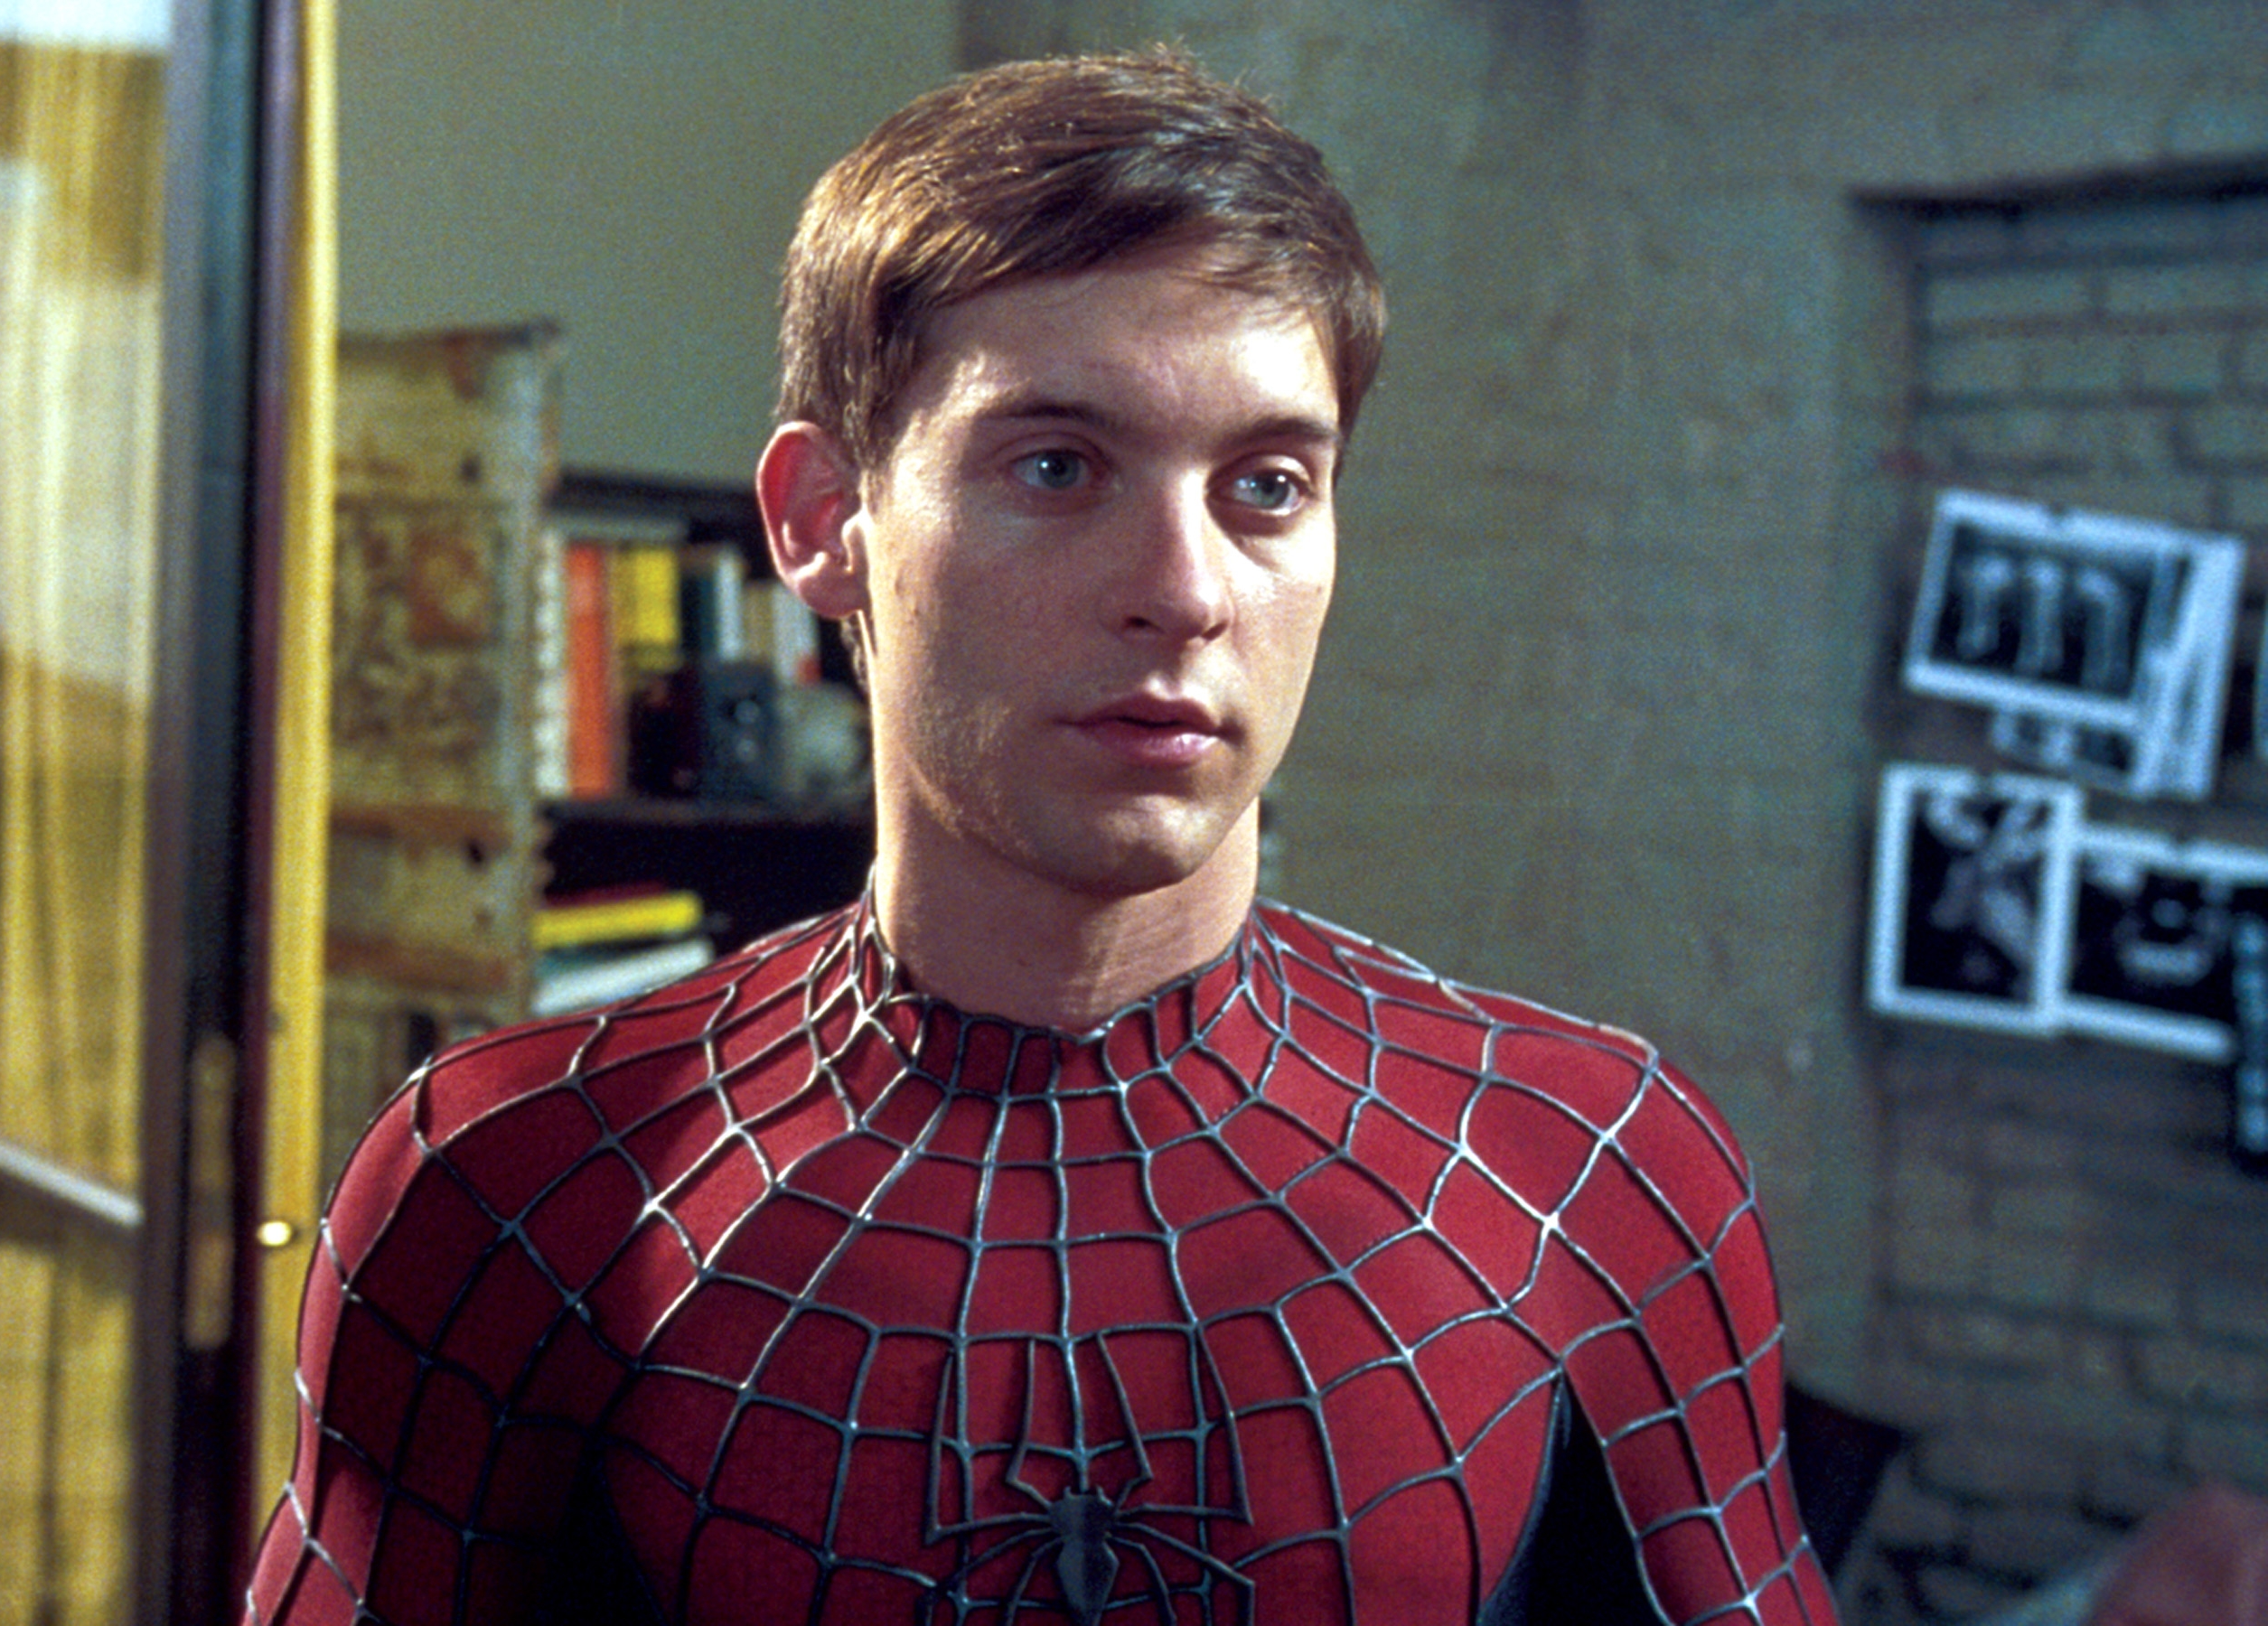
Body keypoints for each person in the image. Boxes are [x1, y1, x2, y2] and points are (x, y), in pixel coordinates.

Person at [246, 48, 1840, 1626]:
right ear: (822, 522)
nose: (1188, 586)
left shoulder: (1591, 1172)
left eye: (1269, 485)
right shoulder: (516, 1182)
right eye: (1057, 465)